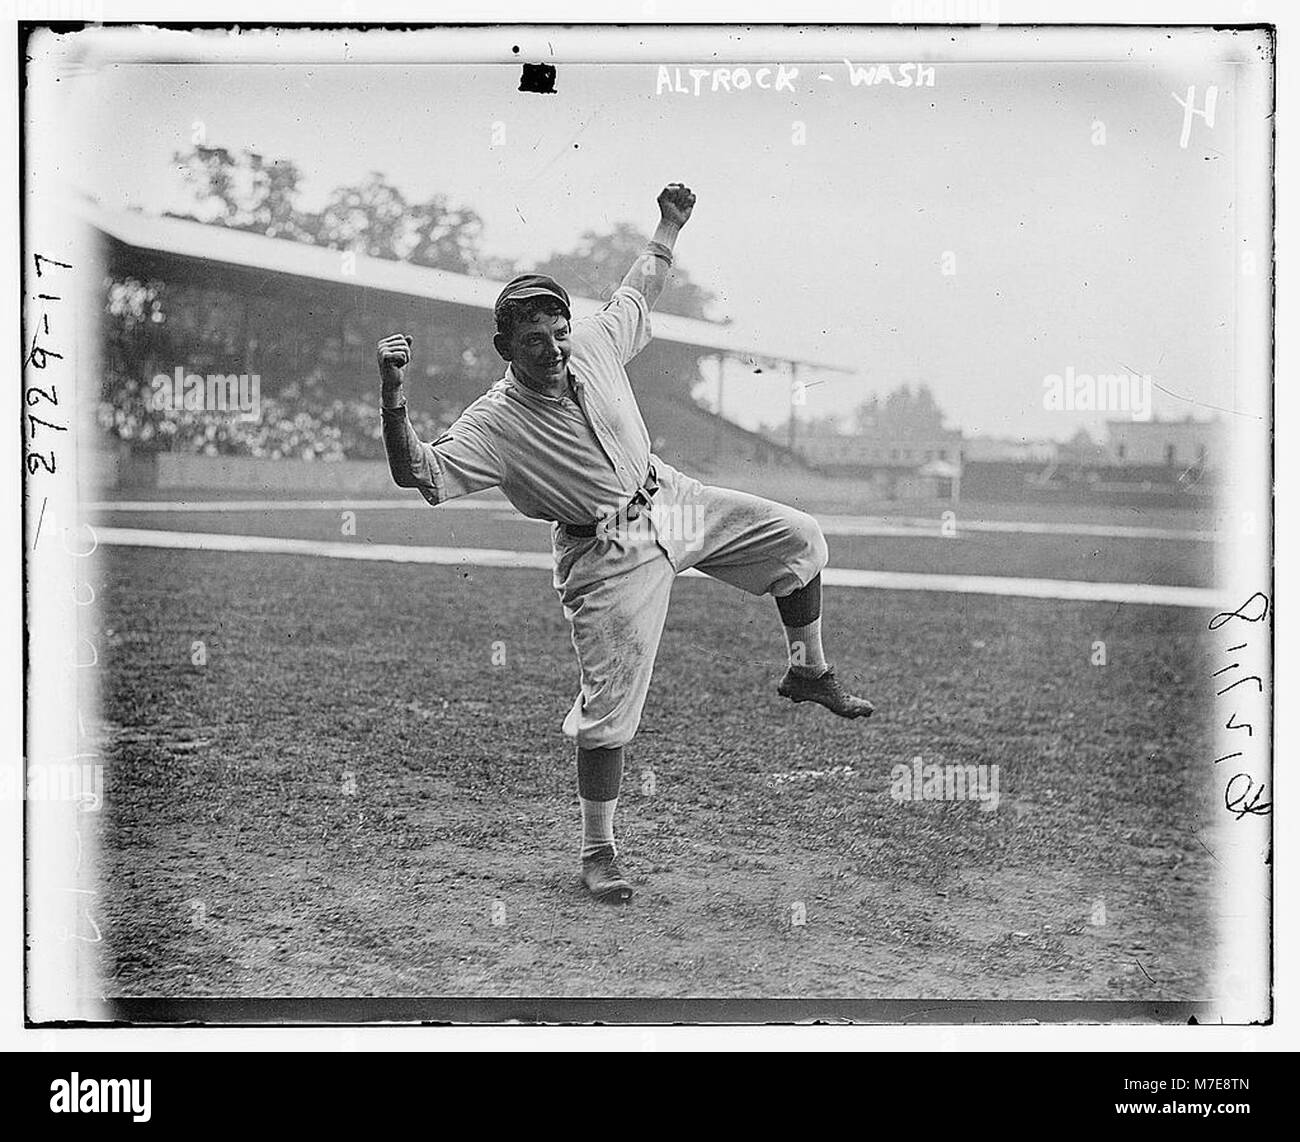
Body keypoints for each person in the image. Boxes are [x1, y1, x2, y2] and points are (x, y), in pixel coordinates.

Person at [377, 183, 873, 904]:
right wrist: (394, 396)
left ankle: (807, 669)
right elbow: (417, 474)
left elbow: (640, 288)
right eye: (533, 341)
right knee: (610, 713)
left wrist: (669, 225)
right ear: (503, 349)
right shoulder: (494, 422)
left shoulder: (596, 342)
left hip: (668, 500)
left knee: (800, 538)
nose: (551, 349)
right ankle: (597, 851)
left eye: (557, 332)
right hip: (606, 552)